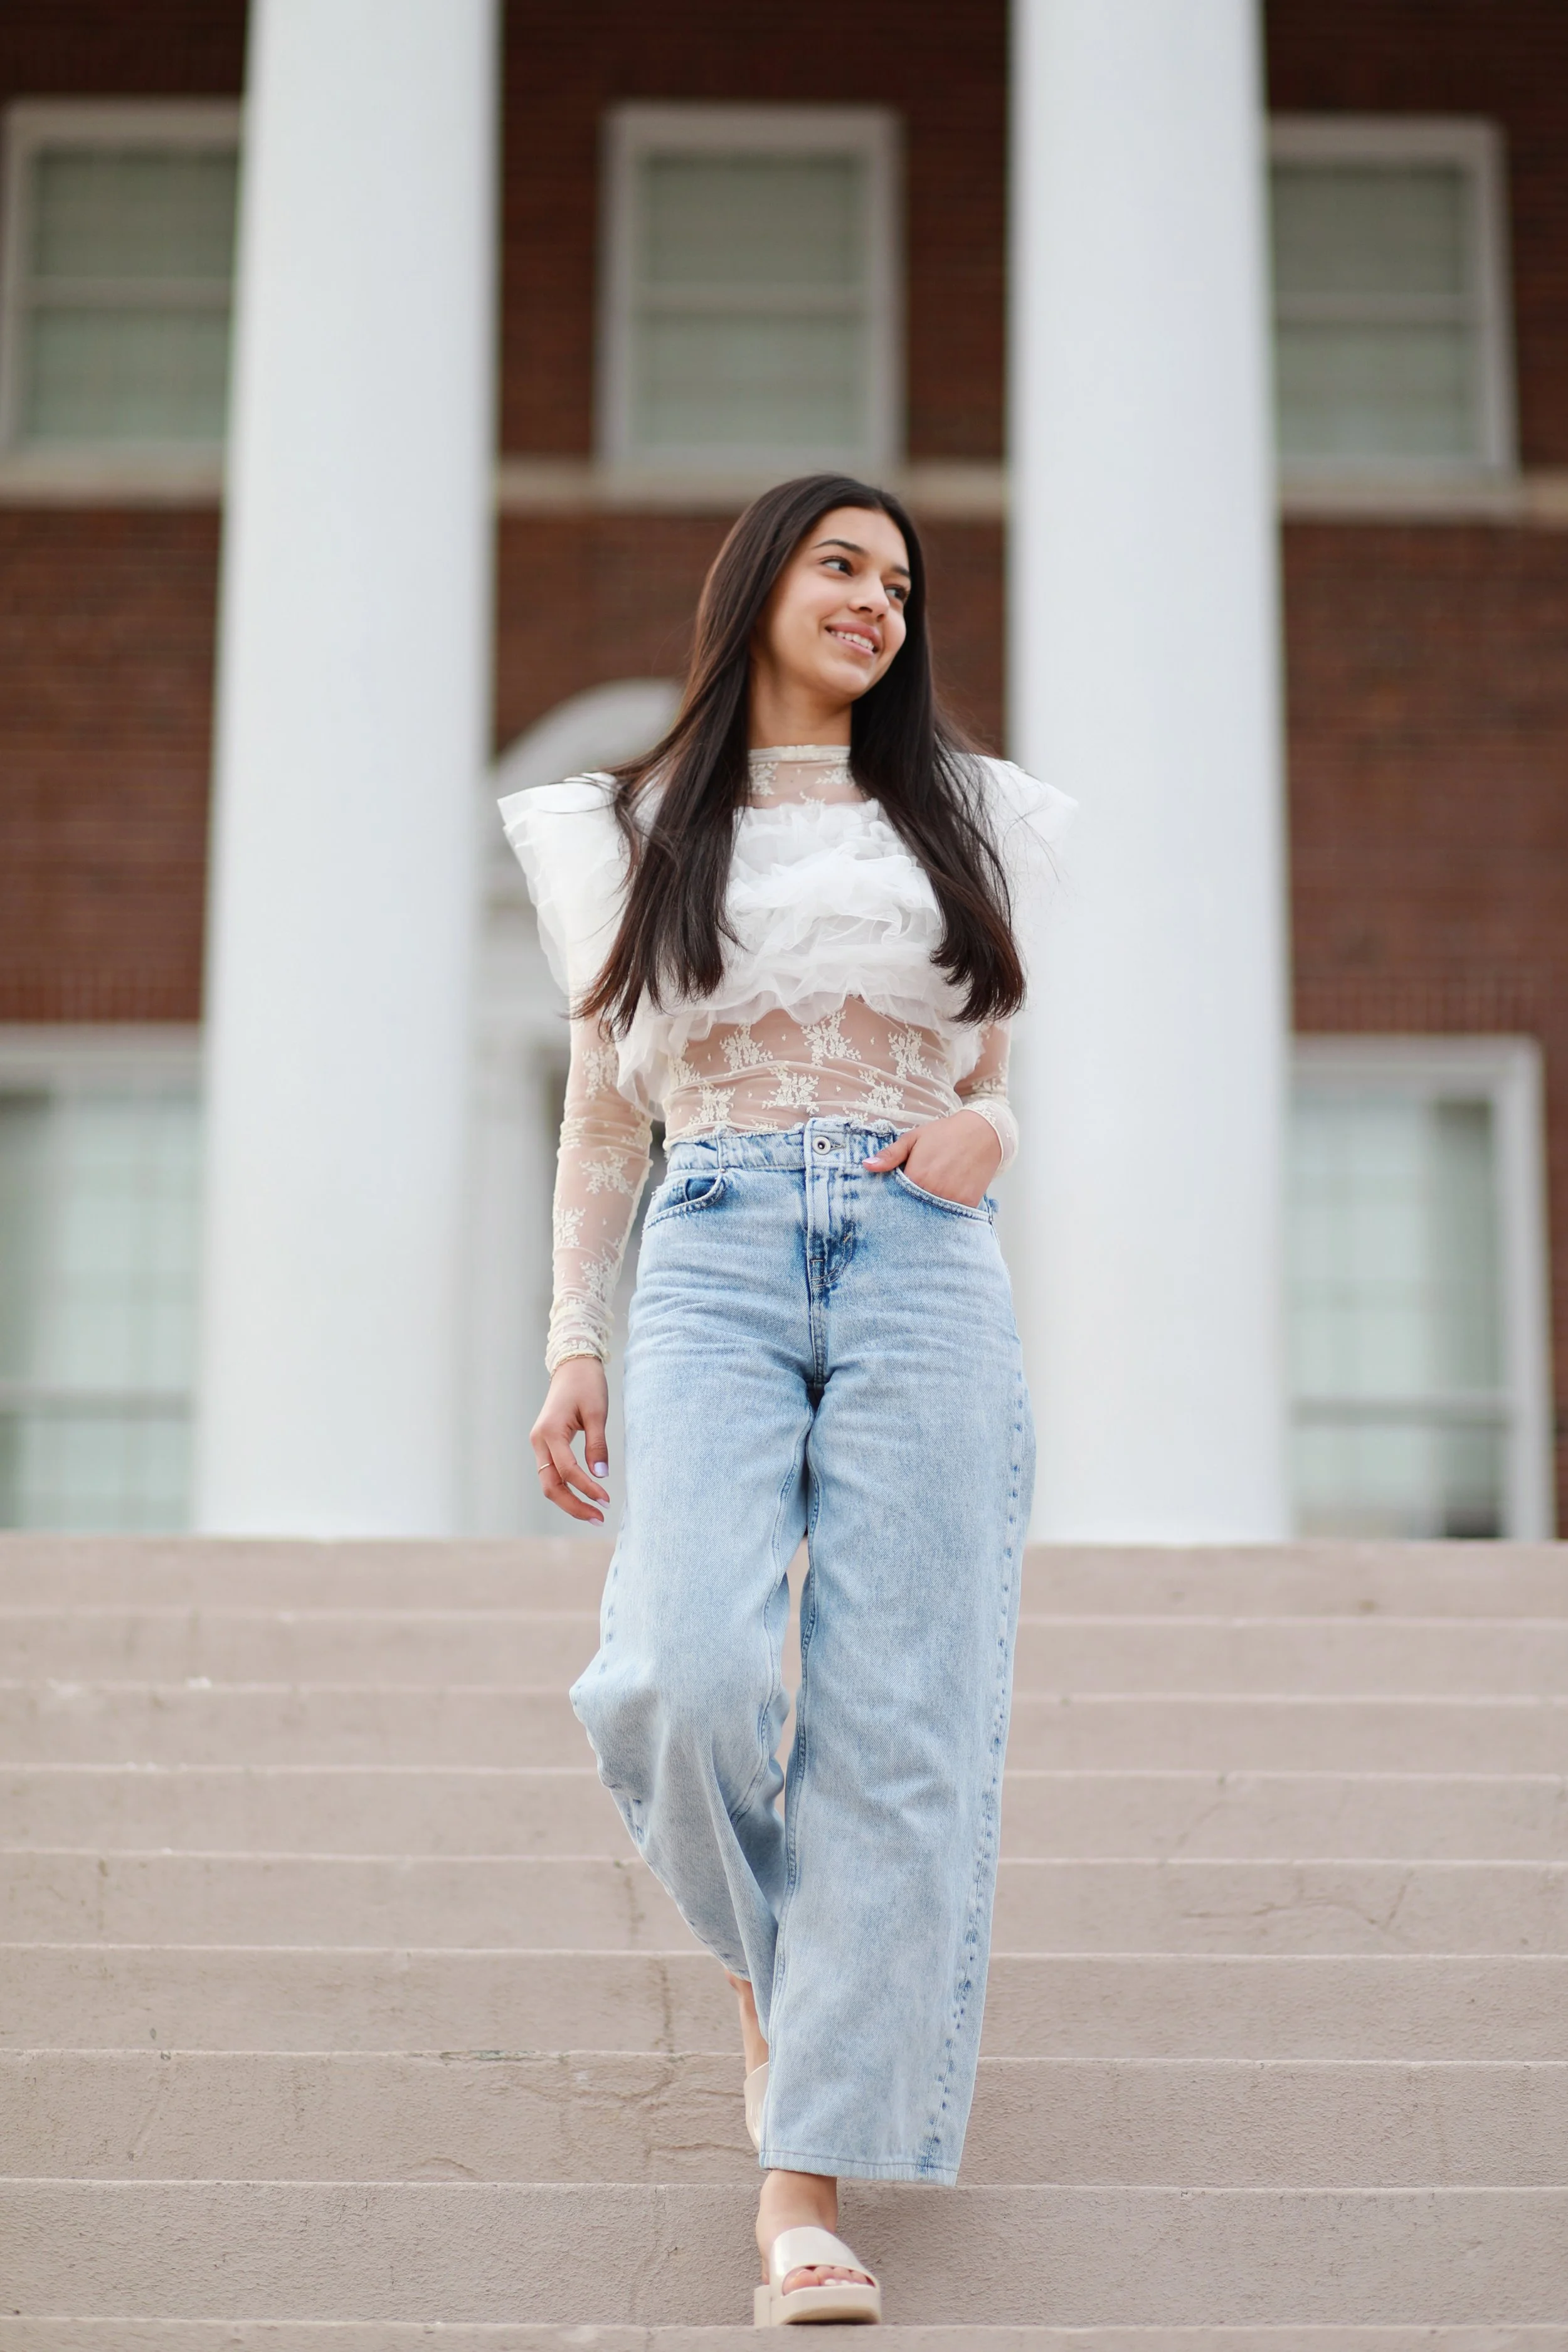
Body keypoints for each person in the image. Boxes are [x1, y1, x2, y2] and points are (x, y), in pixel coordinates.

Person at [502, 472, 1073, 2326]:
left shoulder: (975, 817)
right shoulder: (632, 826)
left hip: (920, 1255)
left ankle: (800, 2195)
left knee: (895, 1726)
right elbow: (607, 1107)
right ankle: (785, 1977)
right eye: (841, 566)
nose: (877, 602)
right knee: (675, 1672)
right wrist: (568, 1339)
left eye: (900, 582)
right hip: (717, 1239)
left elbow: (989, 1066)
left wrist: (983, 1138)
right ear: (756, 584)